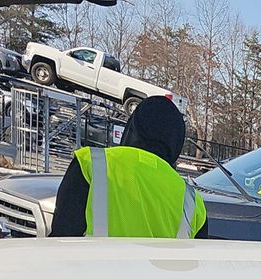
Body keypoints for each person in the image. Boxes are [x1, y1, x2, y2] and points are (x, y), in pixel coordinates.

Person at [52, 96, 207, 239]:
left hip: (92, 261)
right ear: (177, 141)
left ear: (132, 127)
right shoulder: (192, 201)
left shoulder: (91, 163)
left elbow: (61, 239)